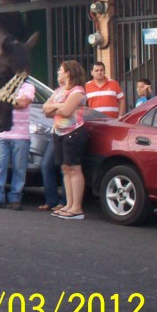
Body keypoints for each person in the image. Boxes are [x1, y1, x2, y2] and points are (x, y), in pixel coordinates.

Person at [43, 60, 89, 220]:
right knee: (65, 168)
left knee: (74, 168)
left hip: (74, 133)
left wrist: (56, 106)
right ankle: (69, 204)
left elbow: (68, 110)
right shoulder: (59, 91)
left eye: (60, 70)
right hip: (59, 133)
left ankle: (77, 207)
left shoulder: (78, 91)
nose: (58, 73)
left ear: (68, 72)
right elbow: (45, 109)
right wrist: (58, 106)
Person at [0, 79, 36, 210]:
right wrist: (12, 101)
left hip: (21, 134)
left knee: (19, 167)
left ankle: (15, 198)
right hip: (3, 133)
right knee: (0, 164)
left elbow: (23, 103)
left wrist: (4, 101)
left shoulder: (29, 87)